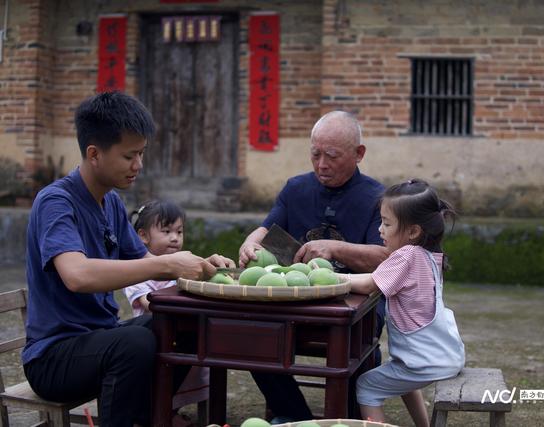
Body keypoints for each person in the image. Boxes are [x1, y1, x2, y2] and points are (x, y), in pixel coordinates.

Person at [22, 91, 234, 427]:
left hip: (101, 340)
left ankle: (150, 415)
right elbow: (77, 276)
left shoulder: (112, 205)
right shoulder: (56, 202)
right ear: (94, 154)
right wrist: (166, 263)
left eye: (141, 154)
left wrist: (201, 265)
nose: (138, 165)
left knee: (188, 321)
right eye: (129, 156)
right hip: (53, 357)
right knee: (133, 342)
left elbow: (148, 263)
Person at [238, 110, 388, 422]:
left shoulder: (378, 198)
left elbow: (389, 258)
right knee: (252, 337)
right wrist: (251, 243)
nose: (322, 164)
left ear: (359, 154)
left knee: (359, 350)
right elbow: (267, 230)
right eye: (315, 154)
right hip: (295, 301)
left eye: (332, 156)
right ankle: (295, 418)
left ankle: (347, 415)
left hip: (355, 306)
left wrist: (336, 248)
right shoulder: (296, 189)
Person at [342, 179, 465, 427]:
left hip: (424, 362)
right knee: (399, 376)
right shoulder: (429, 256)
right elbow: (378, 280)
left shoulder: (406, 256)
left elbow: (369, 285)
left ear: (413, 231)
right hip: (446, 356)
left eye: (387, 223)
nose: (380, 229)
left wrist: (334, 278)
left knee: (366, 386)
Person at [124, 200, 209, 426]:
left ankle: (172, 409)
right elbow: (150, 303)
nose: (175, 238)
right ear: (143, 236)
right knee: (164, 371)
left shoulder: (178, 268)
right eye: (167, 231)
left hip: (178, 335)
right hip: (152, 338)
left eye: (179, 232)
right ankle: (159, 414)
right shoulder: (135, 271)